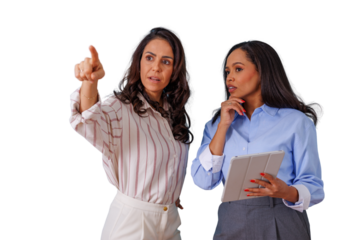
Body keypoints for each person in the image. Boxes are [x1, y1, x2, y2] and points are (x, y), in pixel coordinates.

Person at [190, 39, 324, 240]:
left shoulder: (297, 122)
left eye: (238, 69)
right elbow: (203, 182)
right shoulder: (215, 125)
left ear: (261, 71)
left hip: (282, 216)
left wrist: (287, 191)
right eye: (227, 72)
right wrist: (223, 126)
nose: (230, 78)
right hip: (230, 218)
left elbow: (315, 187)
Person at [69, 25, 194, 240]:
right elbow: (88, 122)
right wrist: (90, 82)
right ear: (138, 62)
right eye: (149, 58)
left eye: (166, 61)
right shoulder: (119, 107)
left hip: (171, 222)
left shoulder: (175, 115)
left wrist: (168, 196)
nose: (156, 67)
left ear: (174, 70)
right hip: (133, 223)